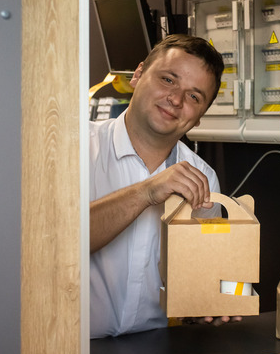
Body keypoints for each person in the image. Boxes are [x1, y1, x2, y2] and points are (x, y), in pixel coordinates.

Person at [89, 34, 238, 338]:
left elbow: (199, 277)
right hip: (65, 351)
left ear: (199, 118)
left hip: (154, 350)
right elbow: (54, 244)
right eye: (168, 80)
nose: (177, 100)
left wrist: (210, 300)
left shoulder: (204, 178)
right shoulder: (74, 147)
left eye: (195, 97)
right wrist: (146, 192)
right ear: (138, 75)